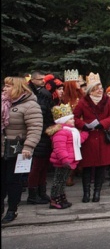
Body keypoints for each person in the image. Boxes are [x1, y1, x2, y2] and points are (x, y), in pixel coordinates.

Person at [1, 76, 43, 224]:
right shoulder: (3, 103)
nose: (5, 88)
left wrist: (28, 146)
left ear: (18, 88)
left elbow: (35, 128)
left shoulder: (30, 105)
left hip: (17, 149)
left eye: (8, 86)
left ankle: (12, 210)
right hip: (2, 147)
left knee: (13, 181)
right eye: (4, 86)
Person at [73, 72, 110, 203]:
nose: (100, 90)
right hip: (89, 138)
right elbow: (75, 117)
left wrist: (102, 124)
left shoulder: (107, 101)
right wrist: (84, 125)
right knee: (87, 167)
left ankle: (97, 192)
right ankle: (86, 193)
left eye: (101, 88)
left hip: (103, 136)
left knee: (101, 167)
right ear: (91, 90)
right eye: (97, 88)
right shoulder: (83, 102)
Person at [47, 104, 88, 209]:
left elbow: (79, 140)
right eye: (71, 119)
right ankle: (55, 198)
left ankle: (61, 197)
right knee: (58, 180)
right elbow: (59, 148)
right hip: (63, 161)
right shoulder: (61, 132)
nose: (73, 121)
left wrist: (85, 133)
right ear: (63, 121)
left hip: (70, 160)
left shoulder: (72, 131)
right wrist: (65, 159)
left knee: (63, 180)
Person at [26, 70, 55, 205]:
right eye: (40, 79)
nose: (43, 81)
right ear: (33, 80)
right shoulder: (31, 94)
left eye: (44, 79)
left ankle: (41, 192)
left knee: (43, 165)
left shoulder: (44, 93)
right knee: (36, 166)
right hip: (37, 132)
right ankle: (33, 194)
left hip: (45, 132)